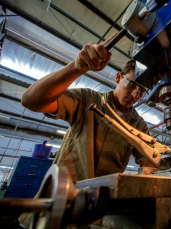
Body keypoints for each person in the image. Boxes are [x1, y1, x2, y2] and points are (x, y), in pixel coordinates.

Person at [19, 35, 153, 227]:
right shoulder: (86, 99)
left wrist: (141, 180)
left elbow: (148, 164)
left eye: (142, 91)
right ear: (118, 77)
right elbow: (30, 100)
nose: (135, 95)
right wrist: (77, 66)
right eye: (132, 84)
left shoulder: (139, 126)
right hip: (57, 207)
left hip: (99, 216)